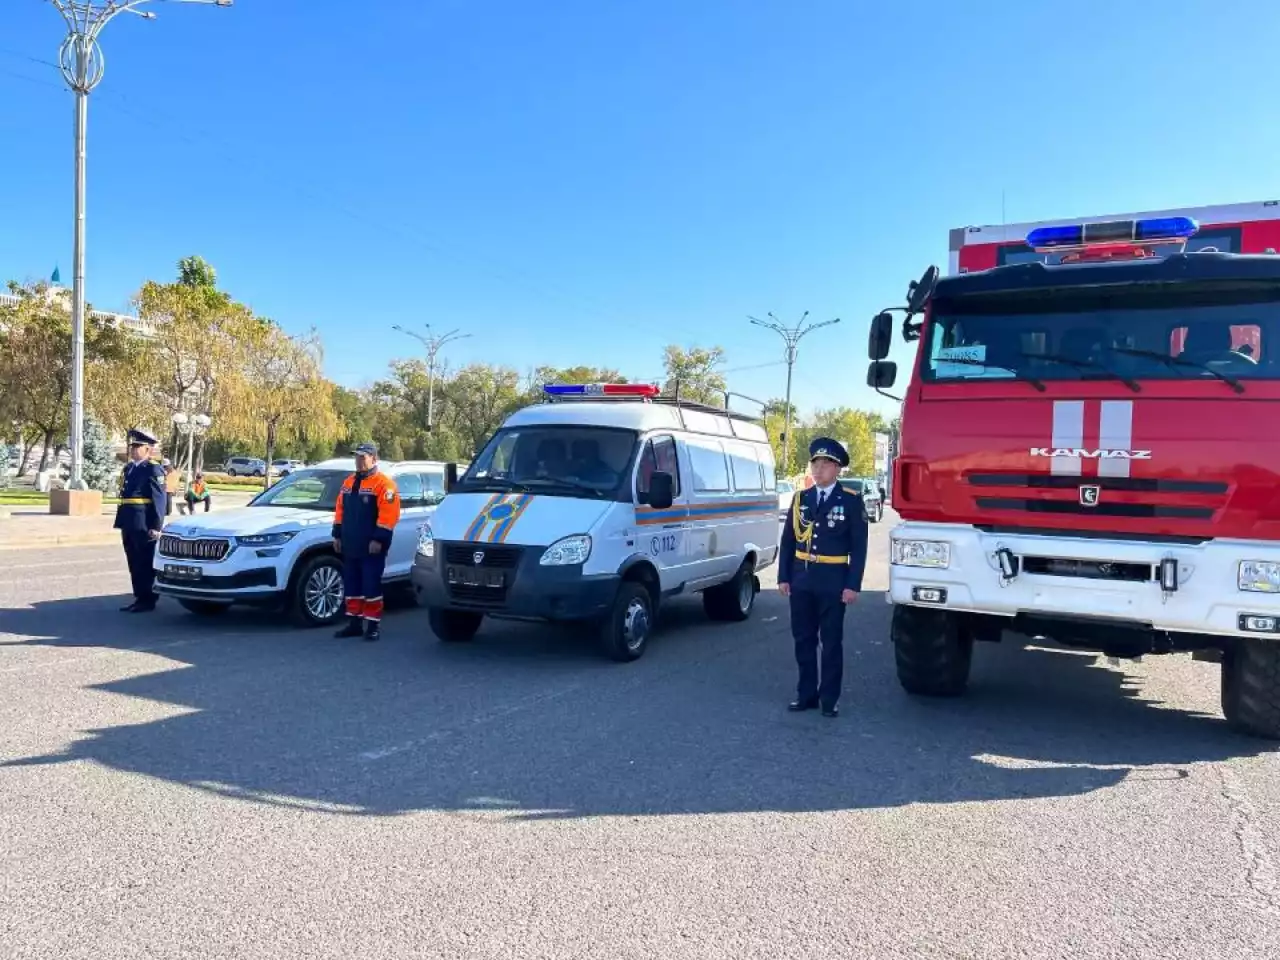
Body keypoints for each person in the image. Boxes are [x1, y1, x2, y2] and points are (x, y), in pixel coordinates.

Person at [776, 437, 869, 718]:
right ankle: (806, 695)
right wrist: (783, 576)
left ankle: (829, 698)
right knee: (803, 639)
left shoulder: (851, 501)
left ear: (838, 469)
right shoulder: (801, 498)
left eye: (826, 464)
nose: (818, 469)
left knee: (831, 642)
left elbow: (859, 547)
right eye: (815, 463)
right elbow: (789, 540)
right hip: (802, 579)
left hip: (833, 581)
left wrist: (853, 585)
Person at [331, 442, 401, 642]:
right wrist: (337, 534)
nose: (359, 461)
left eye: (363, 457)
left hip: (371, 547)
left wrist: (378, 539)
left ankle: (372, 626)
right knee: (352, 585)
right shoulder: (349, 482)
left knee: (371, 586)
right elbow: (340, 510)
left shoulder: (384, 485)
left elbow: (389, 515)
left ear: (374, 459)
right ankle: (354, 623)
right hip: (350, 543)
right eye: (357, 457)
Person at [114, 428, 168, 613]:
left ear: (148, 449)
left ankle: (148, 599)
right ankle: (139, 597)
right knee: (133, 561)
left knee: (144, 562)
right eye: (133, 446)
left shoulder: (153, 468)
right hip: (128, 520)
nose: (134, 449)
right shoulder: (129, 468)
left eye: (138, 446)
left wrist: (156, 526)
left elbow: (159, 500)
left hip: (144, 522)